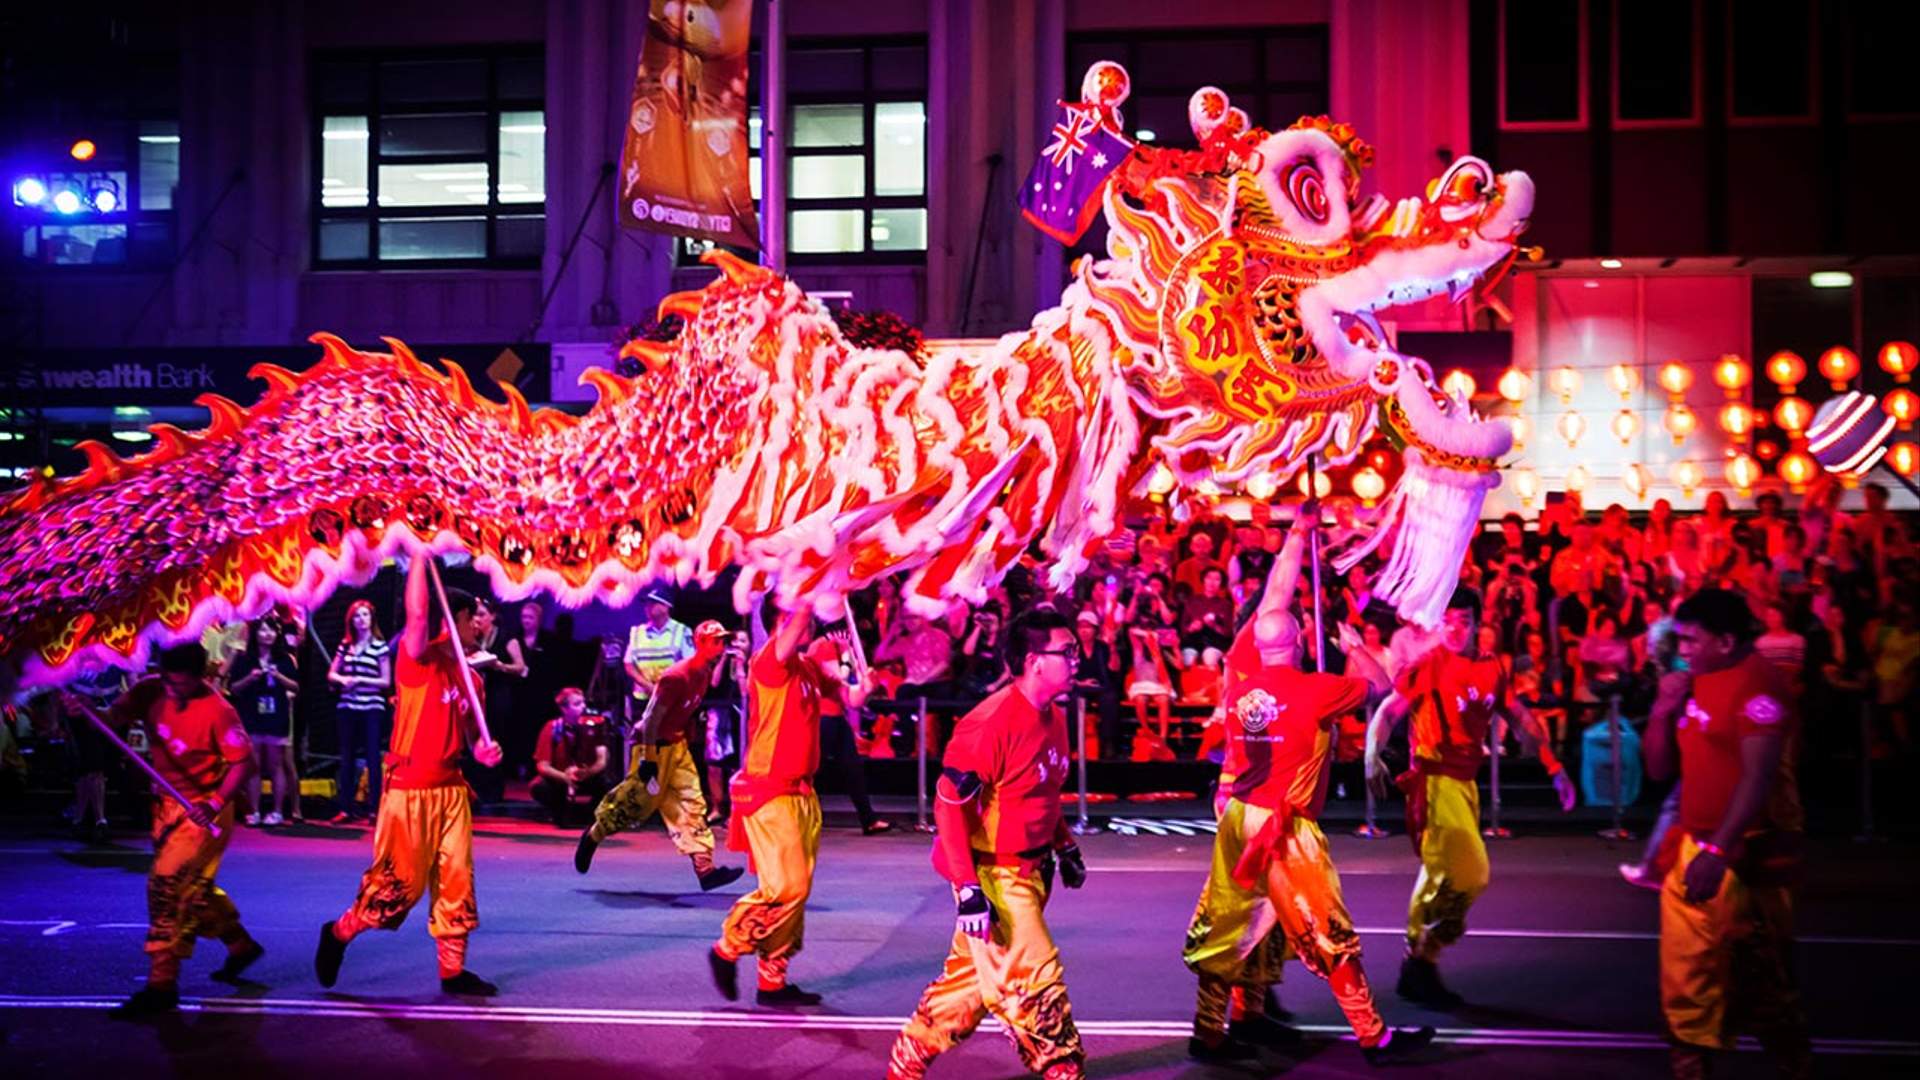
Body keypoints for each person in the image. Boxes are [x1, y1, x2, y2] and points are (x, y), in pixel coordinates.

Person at [1182, 501, 1431, 1065]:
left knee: (1231, 926)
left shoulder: (1241, 669)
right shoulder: (1317, 689)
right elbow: (1380, 684)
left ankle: (1217, 1030)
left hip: (1237, 818)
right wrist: (1353, 646)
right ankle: (1375, 1037)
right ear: (1296, 643)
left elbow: (1275, 593)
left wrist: (1297, 533)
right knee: (1327, 929)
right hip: (1283, 829)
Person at [887, 608, 1089, 1080]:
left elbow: (1040, 791)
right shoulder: (990, 724)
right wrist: (967, 890)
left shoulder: (1053, 716)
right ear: (1035, 660)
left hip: (1033, 873)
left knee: (966, 989)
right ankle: (1063, 1068)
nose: (1077, 660)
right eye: (1068, 651)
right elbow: (949, 807)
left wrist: (1065, 846)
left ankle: (904, 1065)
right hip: (998, 881)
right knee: (1038, 988)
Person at [1365, 587, 1576, 1009]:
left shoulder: (1492, 668)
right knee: (1470, 875)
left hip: (1465, 785)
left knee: (1438, 876)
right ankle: (1424, 953)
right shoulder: (1427, 665)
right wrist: (1372, 754)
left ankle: (1416, 966)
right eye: (1448, 620)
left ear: (1478, 624)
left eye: (1464, 620)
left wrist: (1554, 767)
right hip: (1433, 783)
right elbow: (1389, 710)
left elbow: (1520, 717)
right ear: (1435, 623)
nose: (1456, 629)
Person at [314, 555, 505, 997]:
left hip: (452, 792)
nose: (479, 624)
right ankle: (339, 932)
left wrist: (484, 750)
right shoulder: (416, 658)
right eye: (471, 618)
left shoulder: (473, 681)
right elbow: (418, 613)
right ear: (450, 621)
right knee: (398, 888)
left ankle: (452, 971)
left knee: (457, 880)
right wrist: (421, 550)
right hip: (408, 791)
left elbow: (474, 738)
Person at [1642, 588, 1809, 1080]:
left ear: (1727, 640)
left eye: (1693, 641)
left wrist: (1719, 849)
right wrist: (1661, 710)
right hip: (1696, 846)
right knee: (1684, 977)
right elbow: (1658, 771)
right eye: (1681, 640)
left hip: (1747, 853)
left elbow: (1757, 780)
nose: (1684, 650)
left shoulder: (1760, 686)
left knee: (1761, 980)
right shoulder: (1691, 683)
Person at [79, 642, 262, 1015]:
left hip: (205, 810)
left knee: (165, 883)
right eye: (169, 684)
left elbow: (245, 764)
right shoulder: (149, 689)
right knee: (193, 890)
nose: (174, 693)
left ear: (200, 677)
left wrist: (212, 804)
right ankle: (240, 943)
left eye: (183, 687)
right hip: (165, 806)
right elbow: (113, 716)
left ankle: (162, 983)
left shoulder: (219, 710)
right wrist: (86, 712)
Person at [710, 607, 835, 1007]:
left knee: (795, 893)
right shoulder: (768, 662)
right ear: (780, 625)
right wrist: (817, 576)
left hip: (803, 793)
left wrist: (857, 683)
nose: (809, 622)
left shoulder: (807, 668)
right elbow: (798, 618)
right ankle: (728, 947)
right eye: (801, 618)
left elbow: (851, 696)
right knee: (786, 888)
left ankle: (772, 981)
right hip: (770, 791)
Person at [575, 620, 744, 890]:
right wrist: (649, 759)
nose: (721, 646)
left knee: (692, 803)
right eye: (715, 641)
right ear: (700, 644)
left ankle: (705, 869)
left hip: (677, 749)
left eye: (723, 640)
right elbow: (652, 719)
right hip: (654, 747)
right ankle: (594, 834)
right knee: (634, 805)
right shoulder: (676, 676)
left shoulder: (703, 674)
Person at [227, 619, 300, 826]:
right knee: (254, 765)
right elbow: (234, 688)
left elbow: (295, 687)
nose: (267, 634)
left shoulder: (285, 659)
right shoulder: (246, 659)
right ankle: (255, 810)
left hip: (276, 715)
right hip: (252, 715)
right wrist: (250, 678)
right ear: (255, 634)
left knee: (276, 764)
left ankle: (277, 811)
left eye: (271, 630)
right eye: (262, 630)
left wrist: (278, 677)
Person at [328, 600, 391, 824]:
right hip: (348, 706)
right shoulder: (345, 646)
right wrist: (343, 679)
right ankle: (346, 808)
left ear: (372, 619)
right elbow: (332, 674)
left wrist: (361, 679)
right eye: (357, 616)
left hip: (371, 707)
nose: (361, 620)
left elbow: (386, 681)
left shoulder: (380, 647)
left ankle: (375, 808)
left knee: (373, 758)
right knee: (347, 757)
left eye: (365, 615)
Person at [529, 687, 614, 827]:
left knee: (608, 784)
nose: (583, 707)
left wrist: (587, 772)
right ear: (564, 709)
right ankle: (559, 812)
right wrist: (564, 777)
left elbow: (602, 760)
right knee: (538, 786)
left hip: (586, 776)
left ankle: (590, 815)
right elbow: (542, 766)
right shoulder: (552, 728)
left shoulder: (594, 726)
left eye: (583, 703)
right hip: (561, 778)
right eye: (577, 704)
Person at [625, 590, 695, 722]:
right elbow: (628, 664)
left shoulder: (682, 631)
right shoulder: (637, 632)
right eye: (647, 604)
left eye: (653, 603)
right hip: (643, 699)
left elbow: (690, 664)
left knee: (669, 738)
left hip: (672, 697)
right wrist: (649, 686)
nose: (648, 607)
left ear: (666, 607)